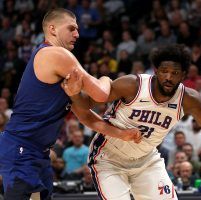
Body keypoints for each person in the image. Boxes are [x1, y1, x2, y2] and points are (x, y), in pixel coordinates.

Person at [64, 44, 201, 200]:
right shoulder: (132, 85)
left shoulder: (188, 99)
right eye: (164, 71)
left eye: (175, 73)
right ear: (156, 70)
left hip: (146, 160)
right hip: (108, 159)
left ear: (183, 75)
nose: (168, 77)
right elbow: (87, 103)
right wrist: (73, 93)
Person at [0, 8, 141, 200]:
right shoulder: (55, 54)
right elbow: (101, 94)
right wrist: (107, 78)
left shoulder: (61, 71)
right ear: (52, 29)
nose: (77, 34)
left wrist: (123, 134)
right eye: (72, 28)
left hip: (37, 153)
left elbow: (86, 116)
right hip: (21, 148)